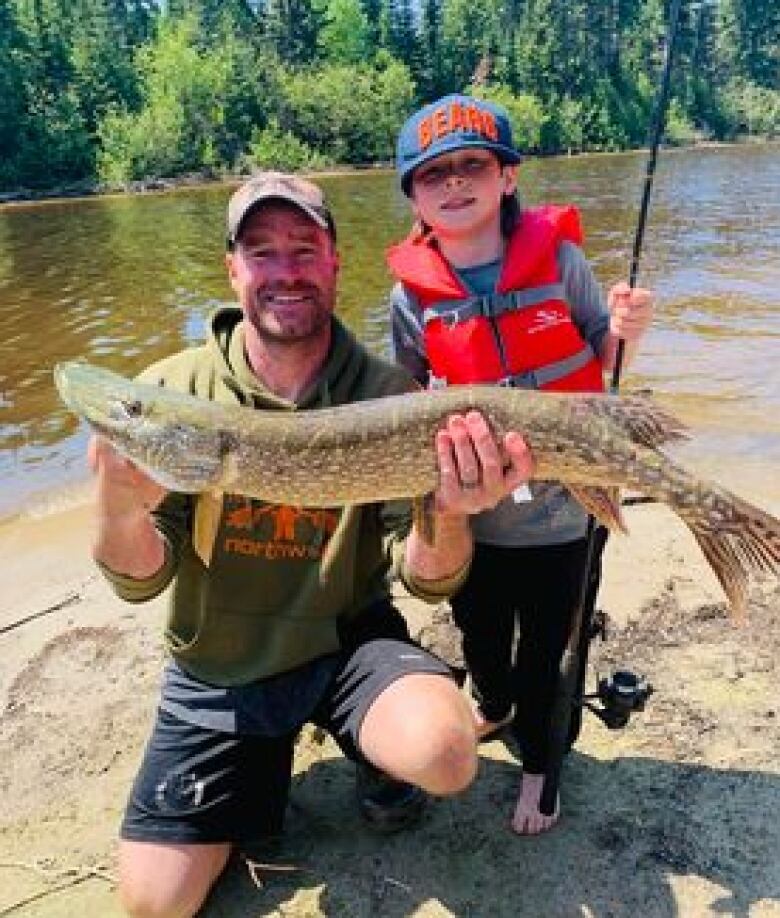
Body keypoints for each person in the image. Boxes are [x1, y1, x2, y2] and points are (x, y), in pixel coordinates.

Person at [89, 171, 534, 916]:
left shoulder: (390, 394)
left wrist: (450, 512)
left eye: (304, 247)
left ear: (334, 262)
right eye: (262, 251)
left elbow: (427, 582)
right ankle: (256, 761)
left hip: (347, 644)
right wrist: (116, 504)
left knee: (446, 753)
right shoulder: (171, 394)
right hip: (220, 665)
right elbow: (140, 582)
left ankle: (374, 753)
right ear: (233, 269)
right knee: (153, 905)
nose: (285, 269)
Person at [387, 95, 654, 836]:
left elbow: (604, 357)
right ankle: (493, 706)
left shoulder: (560, 260)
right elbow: (406, 402)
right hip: (474, 523)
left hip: (562, 517)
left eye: (473, 164)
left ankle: (540, 759)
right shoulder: (410, 299)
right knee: (476, 634)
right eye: (432, 173)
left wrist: (629, 329)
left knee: (546, 647)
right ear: (413, 195)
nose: (454, 182)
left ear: (507, 177)